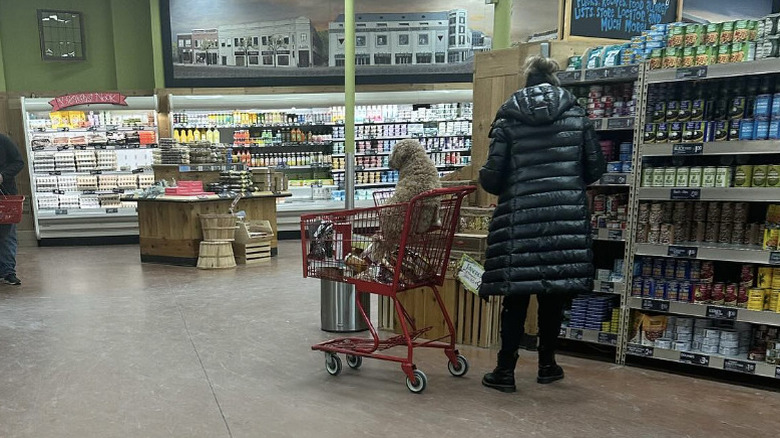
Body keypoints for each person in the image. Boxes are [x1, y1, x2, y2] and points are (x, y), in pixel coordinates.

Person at [478, 56, 606, 393]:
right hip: (563, 218)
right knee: (553, 294)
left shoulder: (508, 117)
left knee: (516, 295)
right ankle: (547, 364)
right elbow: (594, 167)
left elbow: (492, 179)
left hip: (519, 221)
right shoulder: (576, 114)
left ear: (526, 83)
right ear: (554, 82)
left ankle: (505, 371)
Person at [0, 133, 25, 285]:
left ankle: (8, 271)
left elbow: (18, 162)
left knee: (7, 234)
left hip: (6, 194)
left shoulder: (3, 140)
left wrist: (3, 176)